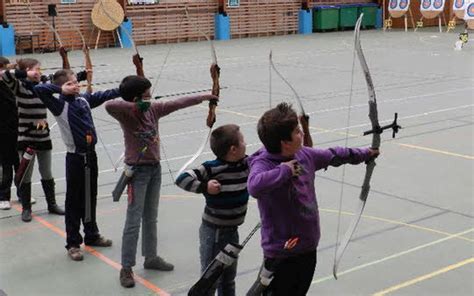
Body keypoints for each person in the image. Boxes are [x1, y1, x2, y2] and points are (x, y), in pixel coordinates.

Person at [247, 103, 379, 295]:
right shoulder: (263, 163)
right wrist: (284, 170)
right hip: (282, 253)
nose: (302, 134)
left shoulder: (303, 154)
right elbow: (254, 186)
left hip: (307, 247)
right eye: (297, 132)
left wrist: (366, 153)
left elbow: (333, 155)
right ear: (285, 143)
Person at [105, 75, 219, 288]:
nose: (151, 97)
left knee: (151, 217)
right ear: (137, 97)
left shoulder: (154, 110)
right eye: (147, 94)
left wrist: (204, 97)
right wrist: (135, 106)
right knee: (133, 220)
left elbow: (176, 103)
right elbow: (109, 105)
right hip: (137, 172)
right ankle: (126, 268)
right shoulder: (127, 114)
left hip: (154, 170)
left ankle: (151, 257)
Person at [34, 69, 119, 261]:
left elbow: (104, 95)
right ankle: (73, 243)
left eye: (76, 82)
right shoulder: (59, 105)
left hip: (91, 156)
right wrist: (60, 88)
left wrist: (125, 88)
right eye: (71, 83)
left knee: (90, 197)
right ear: (62, 87)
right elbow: (39, 89)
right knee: (73, 201)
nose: (76, 86)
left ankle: (92, 234)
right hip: (75, 159)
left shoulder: (83, 100)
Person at [176, 124, 249, 296]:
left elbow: (265, 159)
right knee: (210, 280)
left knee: (228, 279)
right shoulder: (211, 168)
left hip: (232, 233)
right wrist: (204, 187)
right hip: (214, 233)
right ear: (233, 149)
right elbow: (182, 178)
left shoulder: (246, 163)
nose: (246, 144)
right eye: (243, 141)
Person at [1, 58, 64, 221]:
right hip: (26, 138)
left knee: (46, 172)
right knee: (26, 175)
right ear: (28, 70)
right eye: (36, 69)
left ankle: (52, 204)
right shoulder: (19, 87)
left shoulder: (43, 86)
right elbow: (4, 74)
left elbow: (63, 79)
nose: (39, 73)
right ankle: (26, 208)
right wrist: (25, 73)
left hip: (43, 136)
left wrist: (84, 74)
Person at [0, 57, 18, 210]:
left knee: (21, 164)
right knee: (7, 165)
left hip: (18, 129)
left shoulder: (14, 84)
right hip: (3, 131)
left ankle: (22, 193)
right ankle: (4, 196)